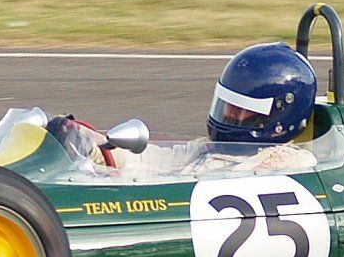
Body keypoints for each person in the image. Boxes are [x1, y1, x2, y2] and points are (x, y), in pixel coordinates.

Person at [108, 43, 321, 177]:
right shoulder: (210, 149)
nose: (228, 113)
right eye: (225, 103)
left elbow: (235, 179)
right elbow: (157, 161)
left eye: (240, 108)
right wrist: (100, 150)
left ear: (278, 117)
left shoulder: (291, 163)